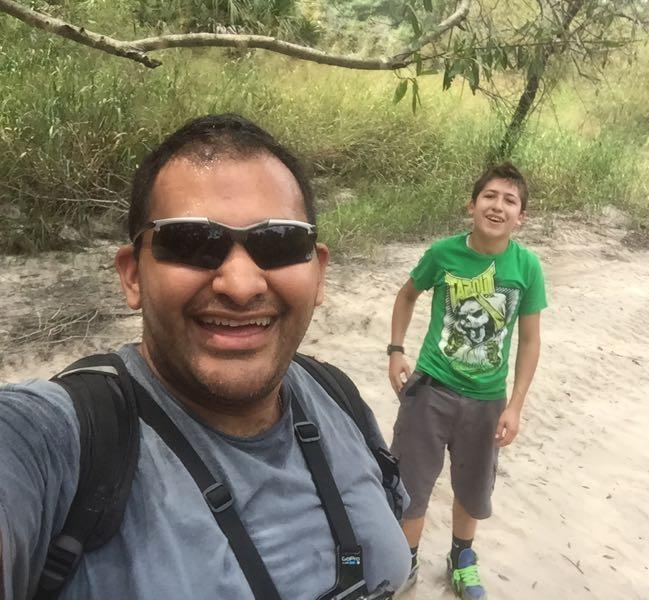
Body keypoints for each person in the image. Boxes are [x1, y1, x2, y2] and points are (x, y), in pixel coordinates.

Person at [0, 114, 410, 600]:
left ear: (318, 273)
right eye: (192, 243)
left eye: (280, 243)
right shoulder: (57, 443)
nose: (241, 285)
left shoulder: (336, 394)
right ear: (132, 276)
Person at [387, 163, 546, 599]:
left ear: (520, 217)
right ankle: (406, 561)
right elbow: (407, 295)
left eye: (509, 200)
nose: (498, 206)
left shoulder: (527, 267)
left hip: (487, 401)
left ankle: (461, 560)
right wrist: (396, 349)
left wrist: (515, 405)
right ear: (472, 205)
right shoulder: (443, 254)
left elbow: (530, 340)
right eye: (489, 196)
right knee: (411, 485)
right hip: (429, 390)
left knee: (473, 489)